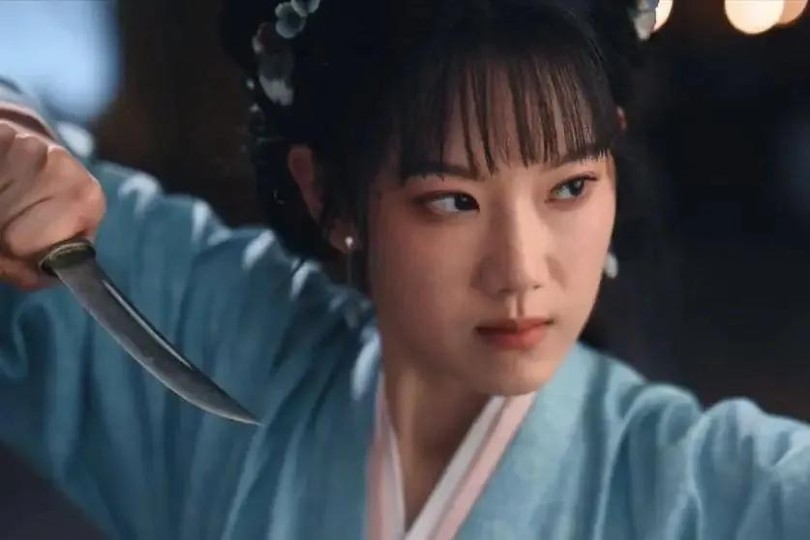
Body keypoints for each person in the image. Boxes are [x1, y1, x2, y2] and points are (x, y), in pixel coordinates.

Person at [0, 0, 808, 539]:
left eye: (569, 187)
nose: (521, 271)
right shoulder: (230, 343)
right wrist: (15, 147)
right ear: (328, 195)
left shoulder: (704, 485)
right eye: (452, 200)